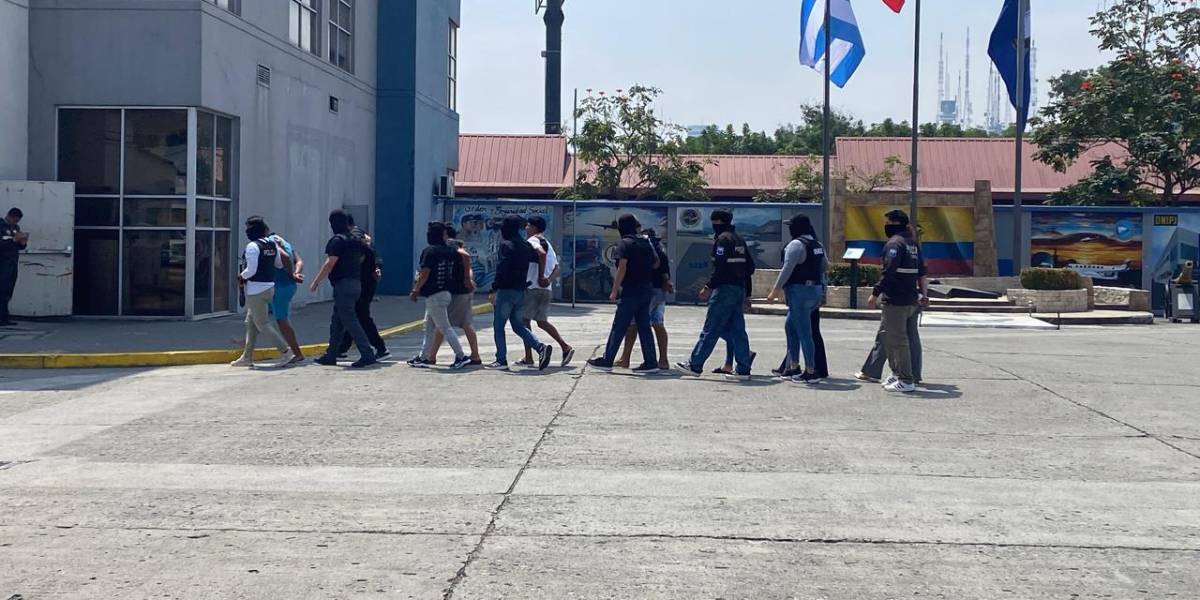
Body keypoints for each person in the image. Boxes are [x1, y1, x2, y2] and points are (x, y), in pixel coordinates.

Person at [676, 209, 755, 380]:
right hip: (738, 289)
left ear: (717, 222)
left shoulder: (722, 240)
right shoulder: (739, 239)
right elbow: (750, 268)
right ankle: (743, 369)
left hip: (724, 290)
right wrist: (746, 293)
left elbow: (719, 267)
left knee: (711, 327)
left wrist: (709, 287)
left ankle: (695, 364)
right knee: (738, 330)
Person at [864, 210, 928, 393]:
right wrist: (923, 295)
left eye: (887, 222)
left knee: (898, 340)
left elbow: (888, 272)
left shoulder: (895, 244)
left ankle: (906, 379)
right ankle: (898, 373)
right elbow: (922, 272)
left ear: (895, 223)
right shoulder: (912, 244)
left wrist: (875, 293)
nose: (885, 225)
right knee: (893, 336)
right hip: (911, 299)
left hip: (897, 300)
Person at [587, 214, 660, 374]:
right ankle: (651, 362)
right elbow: (656, 263)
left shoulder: (624, 244)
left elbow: (622, 268)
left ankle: (607, 360)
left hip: (631, 290)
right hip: (646, 289)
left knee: (619, 326)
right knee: (644, 327)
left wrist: (614, 290)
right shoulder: (645, 242)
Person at [309, 209, 377, 368]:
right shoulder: (355, 240)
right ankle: (331, 354)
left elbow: (330, 263)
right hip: (355, 282)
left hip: (343, 285)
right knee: (337, 321)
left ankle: (367, 353)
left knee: (350, 320)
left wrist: (316, 281)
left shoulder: (337, 241)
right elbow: (365, 254)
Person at [766, 214, 827, 384]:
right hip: (814, 290)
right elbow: (824, 268)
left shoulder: (796, 244)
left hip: (799, 292)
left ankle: (811, 371)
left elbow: (787, 269)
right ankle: (792, 366)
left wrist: (775, 290)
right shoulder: (818, 245)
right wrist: (824, 292)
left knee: (804, 332)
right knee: (790, 327)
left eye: (791, 226)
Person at [487, 215, 552, 371]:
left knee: (498, 326)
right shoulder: (525, 245)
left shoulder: (506, 245)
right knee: (518, 325)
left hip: (506, 290)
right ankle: (540, 347)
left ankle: (501, 360)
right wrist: (542, 276)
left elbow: (502, 269)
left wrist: (494, 289)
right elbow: (539, 256)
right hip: (521, 290)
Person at [408, 222, 472, 370]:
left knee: (444, 327)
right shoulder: (449, 250)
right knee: (429, 327)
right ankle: (423, 357)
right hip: (446, 292)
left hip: (434, 294)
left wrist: (415, 289)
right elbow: (464, 255)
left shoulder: (429, 251)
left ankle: (461, 356)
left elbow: (425, 274)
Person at [231, 217, 294, 368]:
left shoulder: (253, 246)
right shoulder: (271, 244)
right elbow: (278, 264)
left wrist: (241, 276)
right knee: (251, 323)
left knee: (261, 323)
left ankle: (286, 351)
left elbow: (251, 270)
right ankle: (247, 357)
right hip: (269, 287)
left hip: (256, 290)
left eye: (248, 229)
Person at [518, 216, 575, 368]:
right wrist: (548, 280)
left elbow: (541, 254)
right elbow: (557, 267)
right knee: (542, 322)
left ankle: (529, 356)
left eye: (528, 225)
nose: (526, 228)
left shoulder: (533, 242)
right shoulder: (548, 243)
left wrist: (540, 276)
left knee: (524, 322)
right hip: (545, 289)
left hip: (533, 288)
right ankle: (565, 347)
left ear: (535, 227)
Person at [614, 228, 672, 371]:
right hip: (660, 292)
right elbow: (665, 272)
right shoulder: (660, 250)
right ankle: (663, 360)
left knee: (634, 325)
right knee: (658, 324)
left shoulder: (643, 248)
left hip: (646, 291)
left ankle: (625, 358)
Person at [426, 224, 483, 365]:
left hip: (458, 291)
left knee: (448, 324)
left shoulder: (451, 244)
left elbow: (465, 256)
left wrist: (467, 278)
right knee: (454, 324)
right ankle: (432, 356)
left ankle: (434, 356)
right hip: (460, 290)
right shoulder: (452, 245)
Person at [337, 216, 389, 360]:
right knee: (354, 315)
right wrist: (377, 267)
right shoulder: (362, 235)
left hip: (363, 281)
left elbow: (367, 253)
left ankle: (380, 347)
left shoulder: (356, 235)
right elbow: (374, 255)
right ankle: (341, 347)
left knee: (361, 316)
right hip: (365, 281)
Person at [266, 228, 306, 364]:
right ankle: (247, 348)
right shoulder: (286, 243)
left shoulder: (272, 242)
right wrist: (296, 273)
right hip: (287, 286)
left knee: (281, 320)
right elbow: (299, 261)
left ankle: (297, 353)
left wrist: (290, 274)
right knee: (255, 316)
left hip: (280, 287)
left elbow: (285, 257)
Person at [0, 208, 28, 326]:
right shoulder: (1, 226)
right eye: (14, 221)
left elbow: (18, 246)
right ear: (9, 217)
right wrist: (13, 241)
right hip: (2, 263)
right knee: (1, 290)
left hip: (12, 263)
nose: (15, 223)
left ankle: (4, 317)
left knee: (7, 291)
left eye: (17, 221)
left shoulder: (16, 228)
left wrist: (22, 242)